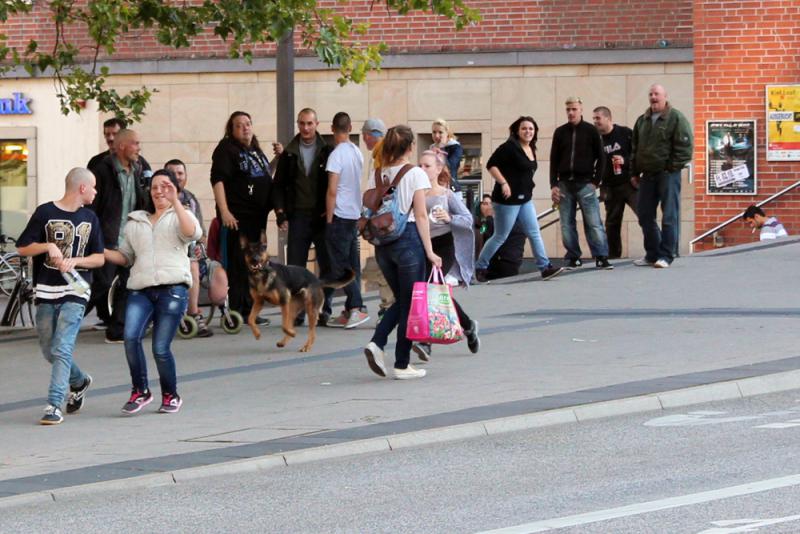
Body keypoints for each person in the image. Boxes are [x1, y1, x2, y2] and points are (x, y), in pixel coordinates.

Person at [104, 169, 202, 415]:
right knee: (130, 338)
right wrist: (101, 252)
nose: (160, 191)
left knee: (160, 347)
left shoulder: (181, 215)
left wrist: (176, 202)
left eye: (166, 186)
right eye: (156, 186)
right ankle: (141, 391)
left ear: (176, 190)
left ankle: (171, 394)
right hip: (141, 289)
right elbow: (125, 256)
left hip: (173, 290)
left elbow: (192, 233)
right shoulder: (136, 222)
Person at [16, 168, 105, 425]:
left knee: (63, 347)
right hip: (45, 290)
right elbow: (22, 247)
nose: (96, 192)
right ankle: (80, 380)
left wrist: (74, 261)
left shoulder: (91, 218)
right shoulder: (45, 212)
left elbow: (99, 258)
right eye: (94, 187)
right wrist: (48, 246)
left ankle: (54, 404)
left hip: (76, 291)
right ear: (82, 188)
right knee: (49, 349)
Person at [363, 125, 441, 380]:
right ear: (409, 148)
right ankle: (400, 362)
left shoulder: (377, 173)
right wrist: (430, 251)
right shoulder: (415, 173)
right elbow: (420, 215)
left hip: (383, 243)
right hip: (407, 240)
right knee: (410, 304)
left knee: (402, 301)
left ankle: (379, 344)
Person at [473, 116, 563, 283]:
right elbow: (491, 165)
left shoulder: (531, 148)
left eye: (531, 128)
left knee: (534, 232)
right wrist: (504, 182)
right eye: (524, 128)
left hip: (525, 199)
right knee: (500, 236)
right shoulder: (509, 147)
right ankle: (481, 266)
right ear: (517, 130)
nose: (527, 131)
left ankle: (545, 267)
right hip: (507, 201)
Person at [411, 150, 480, 362]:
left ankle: (426, 342)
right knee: (433, 293)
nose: (422, 169)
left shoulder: (446, 195)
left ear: (438, 169)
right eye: (420, 165)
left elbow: (468, 219)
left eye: (427, 166)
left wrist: (449, 217)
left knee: (432, 290)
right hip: (422, 245)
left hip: (444, 245)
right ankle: (468, 325)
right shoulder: (416, 192)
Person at [210, 111, 275, 322]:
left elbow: (262, 175)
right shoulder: (226, 150)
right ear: (232, 129)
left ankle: (250, 310)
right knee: (239, 263)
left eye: (248, 123)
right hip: (237, 218)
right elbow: (218, 180)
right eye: (239, 125)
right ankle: (237, 310)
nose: (245, 128)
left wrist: (278, 159)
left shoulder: (254, 150)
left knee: (254, 264)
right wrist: (225, 211)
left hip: (257, 217)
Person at [273, 108, 334, 326]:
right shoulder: (289, 153)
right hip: (298, 215)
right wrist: (280, 214)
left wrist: (331, 209)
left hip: (321, 215)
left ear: (317, 124)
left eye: (309, 123)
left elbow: (335, 183)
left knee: (326, 263)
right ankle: (297, 311)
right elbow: (278, 186)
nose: (306, 128)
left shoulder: (327, 150)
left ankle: (324, 309)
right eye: (302, 124)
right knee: (295, 267)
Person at [88, 129, 149, 343]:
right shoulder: (102, 170)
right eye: (135, 143)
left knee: (128, 284)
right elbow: (91, 207)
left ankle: (117, 331)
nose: (139, 148)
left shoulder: (141, 169)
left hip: (130, 239)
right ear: (122, 146)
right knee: (101, 283)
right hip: (107, 239)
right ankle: (66, 319)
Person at [630, 84, 694, 268]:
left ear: (665, 96)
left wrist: (670, 167)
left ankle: (667, 255)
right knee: (644, 215)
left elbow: (685, 148)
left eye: (657, 94)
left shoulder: (676, 118)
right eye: (650, 94)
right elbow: (634, 148)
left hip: (668, 175)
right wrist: (633, 172)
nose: (653, 97)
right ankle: (652, 254)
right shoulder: (642, 120)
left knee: (669, 216)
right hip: (646, 175)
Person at [550, 97, 612, 270]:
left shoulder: (591, 131)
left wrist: (595, 182)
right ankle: (573, 257)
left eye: (574, 109)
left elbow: (602, 158)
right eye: (568, 109)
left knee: (593, 222)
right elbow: (553, 160)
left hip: (585, 184)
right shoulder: (560, 132)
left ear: (581, 110)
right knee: (566, 224)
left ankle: (601, 256)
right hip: (564, 184)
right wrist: (553, 184)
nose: (571, 112)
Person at [324, 111, 369, 328]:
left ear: (333, 129)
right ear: (350, 128)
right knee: (353, 265)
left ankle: (358, 307)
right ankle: (352, 309)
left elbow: (332, 190)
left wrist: (329, 217)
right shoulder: (356, 152)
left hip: (340, 215)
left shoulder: (336, 155)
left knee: (341, 267)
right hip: (353, 214)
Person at [166, 158, 212, 337]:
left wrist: (201, 245)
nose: (177, 177)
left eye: (180, 173)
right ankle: (191, 313)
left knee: (194, 261)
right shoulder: (157, 196)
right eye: (172, 173)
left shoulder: (191, 200)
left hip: (188, 252)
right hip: (165, 252)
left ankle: (193, 314)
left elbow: (202, 234)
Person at [359, 118, 394, 322]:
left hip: (383, 217)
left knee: (384, 262)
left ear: (368, 135)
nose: (364, 139)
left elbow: (382, 188)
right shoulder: (383, 154)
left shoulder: (382, 155)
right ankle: (390, 305)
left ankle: (388, 307)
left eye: (365, 135)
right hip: (386, 216)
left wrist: (368, 213)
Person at [592, 106, 637, 259]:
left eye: (598, 118)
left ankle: (655, 251)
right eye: (594, 119)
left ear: (608, 118)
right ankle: (613, 257)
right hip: (609, 187)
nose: (595, 122)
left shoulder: (625, 133)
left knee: (644, 216)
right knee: (612, 224)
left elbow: (637, 154)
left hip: (629, 183)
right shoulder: (596, 140)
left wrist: (625, 163)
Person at [430, 118, 464, 191]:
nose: (436, 135)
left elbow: (450, 167)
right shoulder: (432, 148)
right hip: (435, 189)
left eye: (440, 132)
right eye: (434, 132)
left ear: (447, 133)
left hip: (451, 189)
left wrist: (441, 148)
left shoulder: (456, 147)